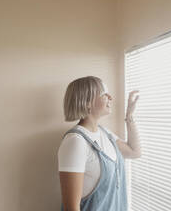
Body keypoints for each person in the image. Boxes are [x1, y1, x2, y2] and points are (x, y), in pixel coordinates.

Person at [58, 76, 141, 211]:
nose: (110, 97)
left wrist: (130, 116)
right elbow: (71, 208)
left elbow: (134, 152)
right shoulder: (75, 142)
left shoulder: (104, 133)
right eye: (104, 94)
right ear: (87, 103)